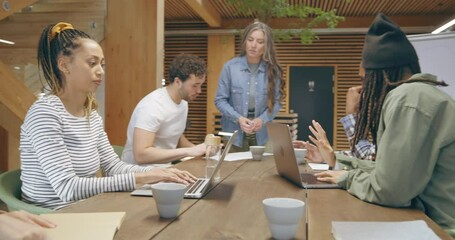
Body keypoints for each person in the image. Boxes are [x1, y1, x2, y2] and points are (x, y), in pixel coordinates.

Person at [20, 22, 195, 210]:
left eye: (102, 64)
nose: (101, 71)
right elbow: (67, 188)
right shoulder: (45, 113)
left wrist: (162, 172)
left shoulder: (91, 115)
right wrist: (144, 177)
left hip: (85, 208)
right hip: (50, 217)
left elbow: (114, 168)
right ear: (64, 65)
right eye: (92, 63)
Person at [312, 14, 455, 231]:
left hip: (441, 229)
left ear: (378, 76)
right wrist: (342, 165)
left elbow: (389, 191)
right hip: (425, 221)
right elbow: (386, 171)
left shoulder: (407, 99)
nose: (362, 88)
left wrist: (348, 178)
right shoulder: (416, 94)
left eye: (364, 80)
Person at [121, 54, 207, 167]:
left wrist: (200, 150)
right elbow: (141, 155)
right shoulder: (152, 106)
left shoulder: (183, 103)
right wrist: (188, 152)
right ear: (177, 82)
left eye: (201, 85)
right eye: (195, 86)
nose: (199, 91)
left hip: (163, 170)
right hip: (138, 175)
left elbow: (174, 135)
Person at [215, 21, 286, 151]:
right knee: (234, 169)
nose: (253, 45)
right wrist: (238, 119)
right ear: (244, 42)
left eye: (260, 42)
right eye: (250, 39)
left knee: (261, 170)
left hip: (262, 134)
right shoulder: (230, 68)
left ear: (266, 46)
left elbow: (277, 101)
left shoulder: (273, 70)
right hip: (234, 133)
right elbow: (220, 100)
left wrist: (263, 119)